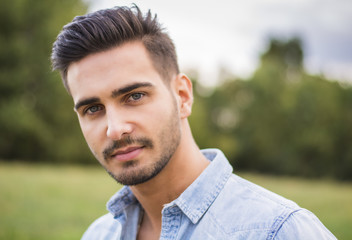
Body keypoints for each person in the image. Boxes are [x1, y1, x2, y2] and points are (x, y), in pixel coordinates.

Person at [51, 5, 336, 240]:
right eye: (92, 109)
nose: (115, 129)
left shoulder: (279, 231)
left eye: (134, 96)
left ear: (182, 96)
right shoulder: (98, 235)